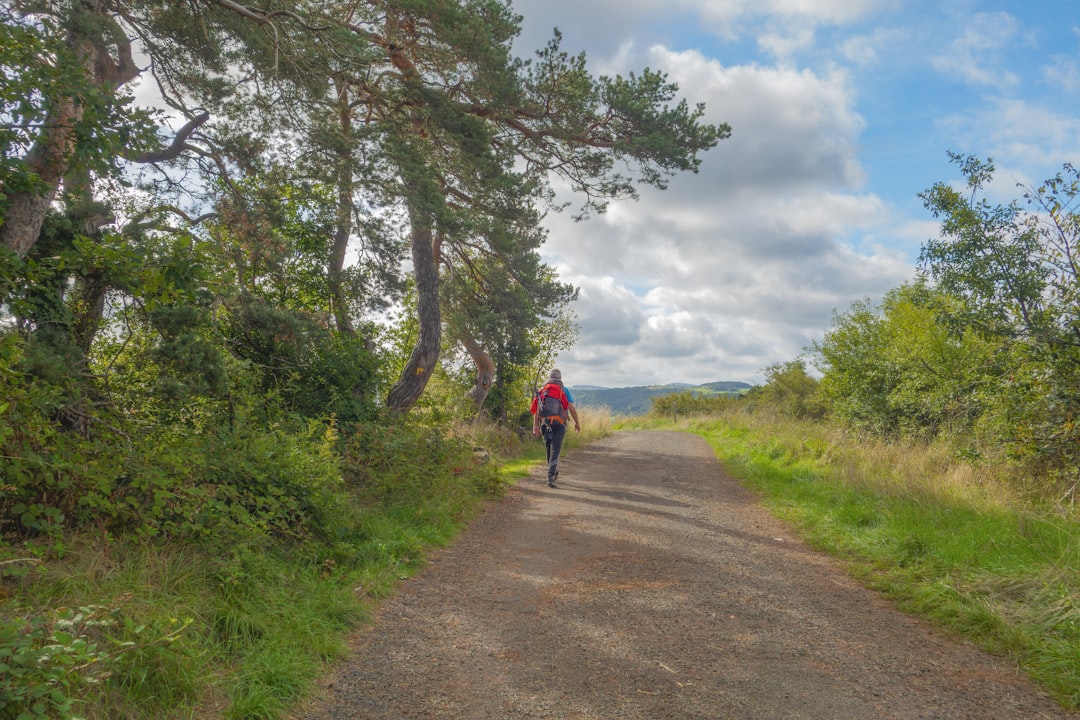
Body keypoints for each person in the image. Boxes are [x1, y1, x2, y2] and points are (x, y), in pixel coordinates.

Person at [531, 369, 581, 488]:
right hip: (560, 424)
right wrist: (577, 423)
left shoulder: (543, 390)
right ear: (560, 378)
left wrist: (535, 425)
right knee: (555, 449)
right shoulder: (563, 390)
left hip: (545, 423)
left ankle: (552, 472)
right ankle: (550, 476)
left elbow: (536, 409)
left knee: (549, 448)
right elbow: (571, 408)